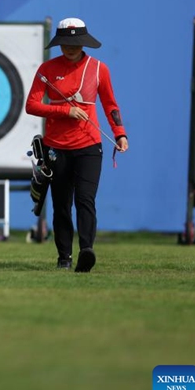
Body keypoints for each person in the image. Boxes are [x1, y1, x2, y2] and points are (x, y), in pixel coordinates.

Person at [25, 17, 128, 272]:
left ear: (84, 43)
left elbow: (110, 105)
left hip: (89, 146)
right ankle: (64, 257)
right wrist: (65, 111)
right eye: (65, 43)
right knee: (61, 203)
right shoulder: (46, 69)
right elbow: (32, 105)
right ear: (59, 43)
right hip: (56, 147)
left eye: (76, 42)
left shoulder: (99, 69)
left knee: (85, 199)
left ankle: (86, 251)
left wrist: (120, 134)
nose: (70, 48)